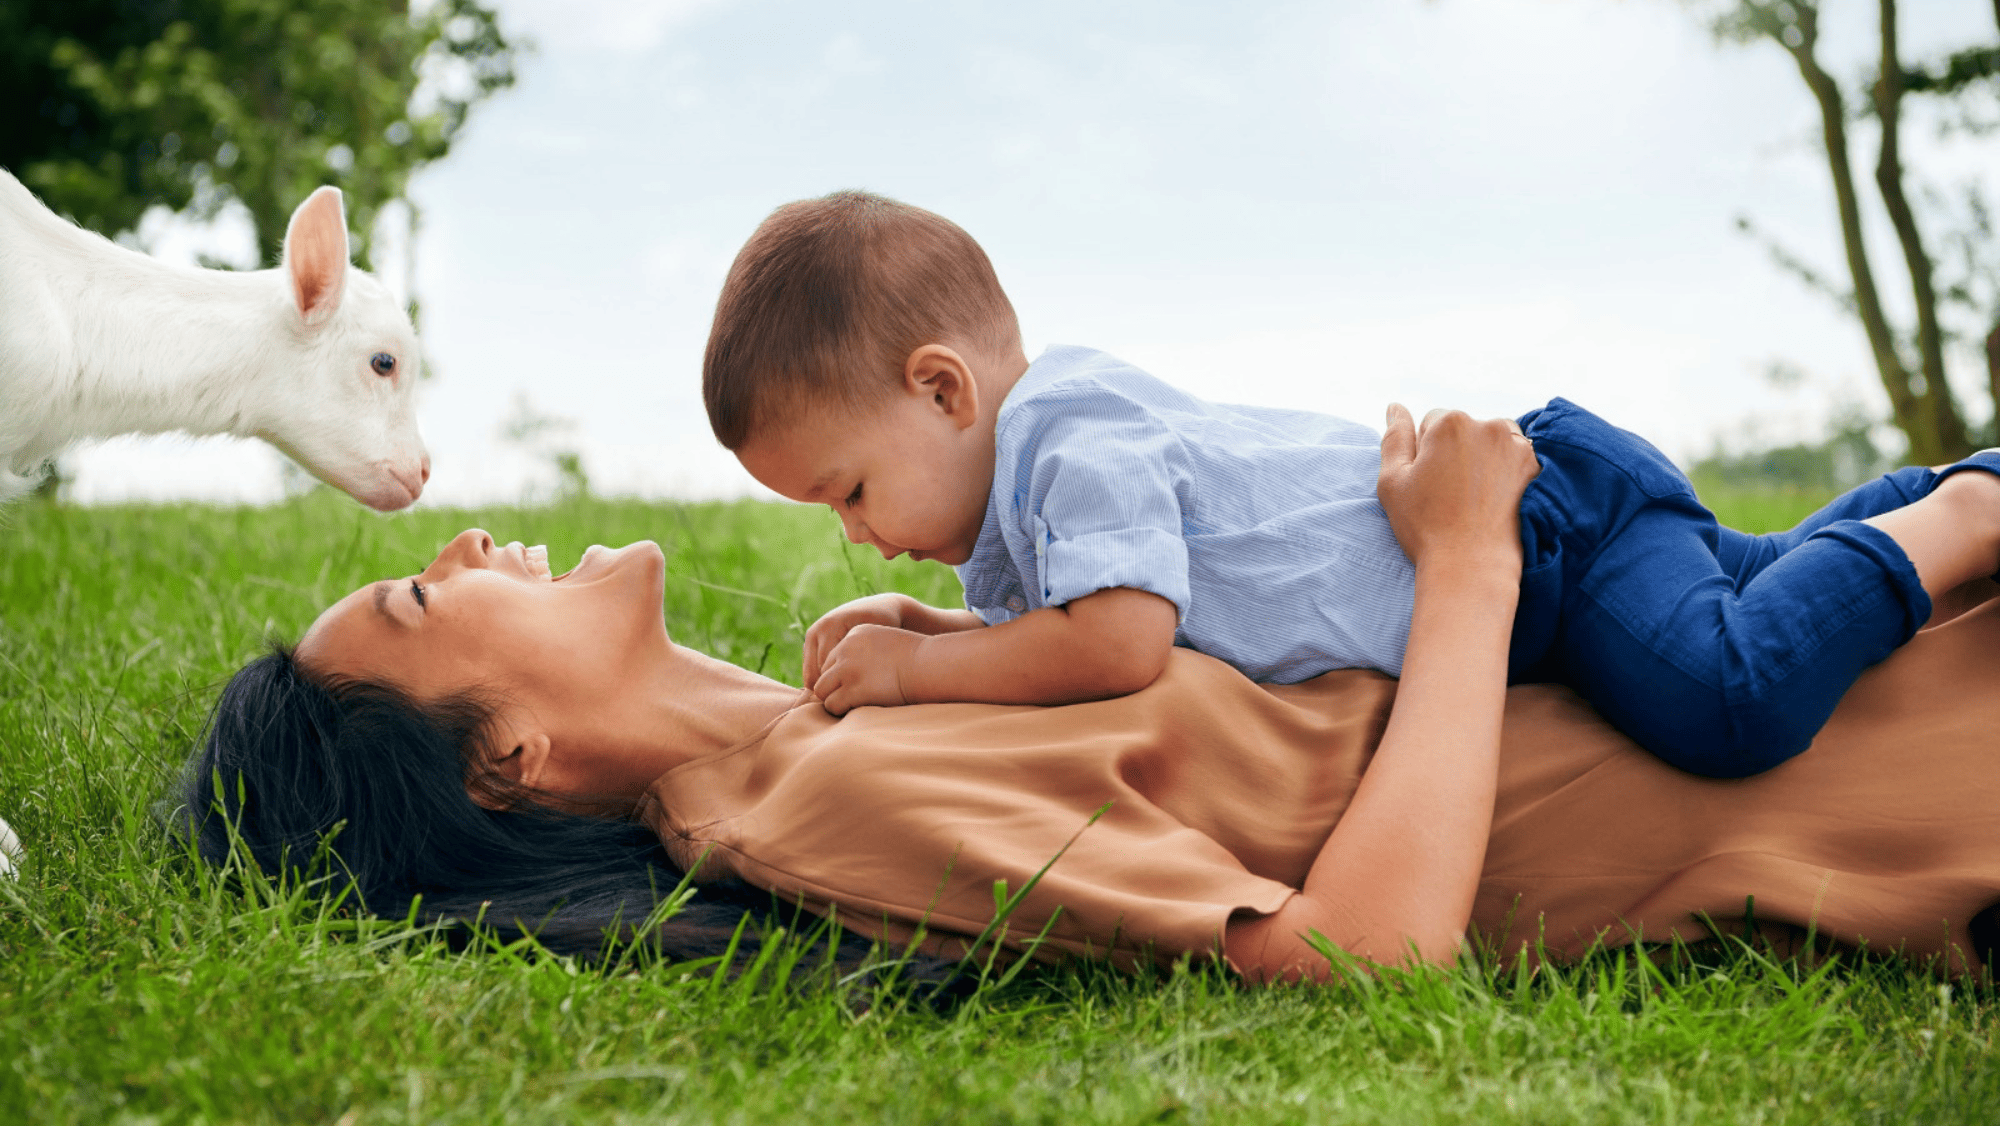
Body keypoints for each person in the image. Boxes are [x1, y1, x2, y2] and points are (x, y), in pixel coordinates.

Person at [175, 411, 2000, 982]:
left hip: (1817, 661)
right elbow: (1354, 957)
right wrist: (1468, 561)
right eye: (431, 589)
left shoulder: (848, 719)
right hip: (1879, 766)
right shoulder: (816, 814)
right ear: (510, 755)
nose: (473, 534)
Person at [701, 190, 2000, 778]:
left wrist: (924, 674)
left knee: (1728, 697)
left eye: (850, 491)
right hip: (1543, 551)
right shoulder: (1038, 503)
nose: (859, 539)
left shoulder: (1069, 443)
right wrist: (940, 626)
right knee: (1759, 582)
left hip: (1546, 534)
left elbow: (1119, 636)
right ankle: (1962, 483)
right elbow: (1060, 630)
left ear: (944, 391)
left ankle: (1965, 513)